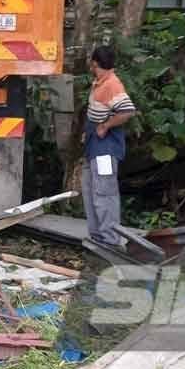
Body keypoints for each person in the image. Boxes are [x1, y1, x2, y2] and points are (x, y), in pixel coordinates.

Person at [83, 45, 136, 248]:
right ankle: (97, 236)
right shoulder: (100, 82)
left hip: (104, 149)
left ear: (95, 63)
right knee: (91, 191)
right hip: (93, 147)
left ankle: (111, 240)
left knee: (104, 193)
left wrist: (106, 126)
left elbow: (127, 111)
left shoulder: (112, 84)